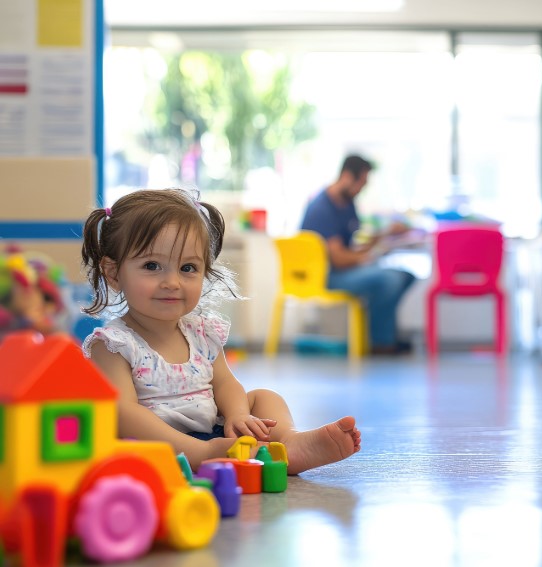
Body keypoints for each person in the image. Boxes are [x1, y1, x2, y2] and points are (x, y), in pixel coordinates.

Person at [80, 188, 361, 471]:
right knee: (132, 434)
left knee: (264, 398)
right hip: (159, 446)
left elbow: (225, 383)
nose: (172, 282)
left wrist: (238, 415)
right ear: (114, 273)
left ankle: (289, 444)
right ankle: (222, 454)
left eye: (187, 268)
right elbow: (124, 414)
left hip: (214, 435)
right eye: (152, 266)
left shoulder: (201, 332)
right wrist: (202, 450)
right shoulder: (114, 344)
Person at [301, 154, 416, 355]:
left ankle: (382, 337)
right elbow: (338, 258)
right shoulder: (322, 208)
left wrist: (385, 235)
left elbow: (354, 246)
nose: (362, 188)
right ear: (347, 176)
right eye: (361, 182)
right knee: (388, 279)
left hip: (345, 269)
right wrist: (367, 258)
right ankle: (379, 342)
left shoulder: (347, 205)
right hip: (326, 275)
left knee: (405, 276)